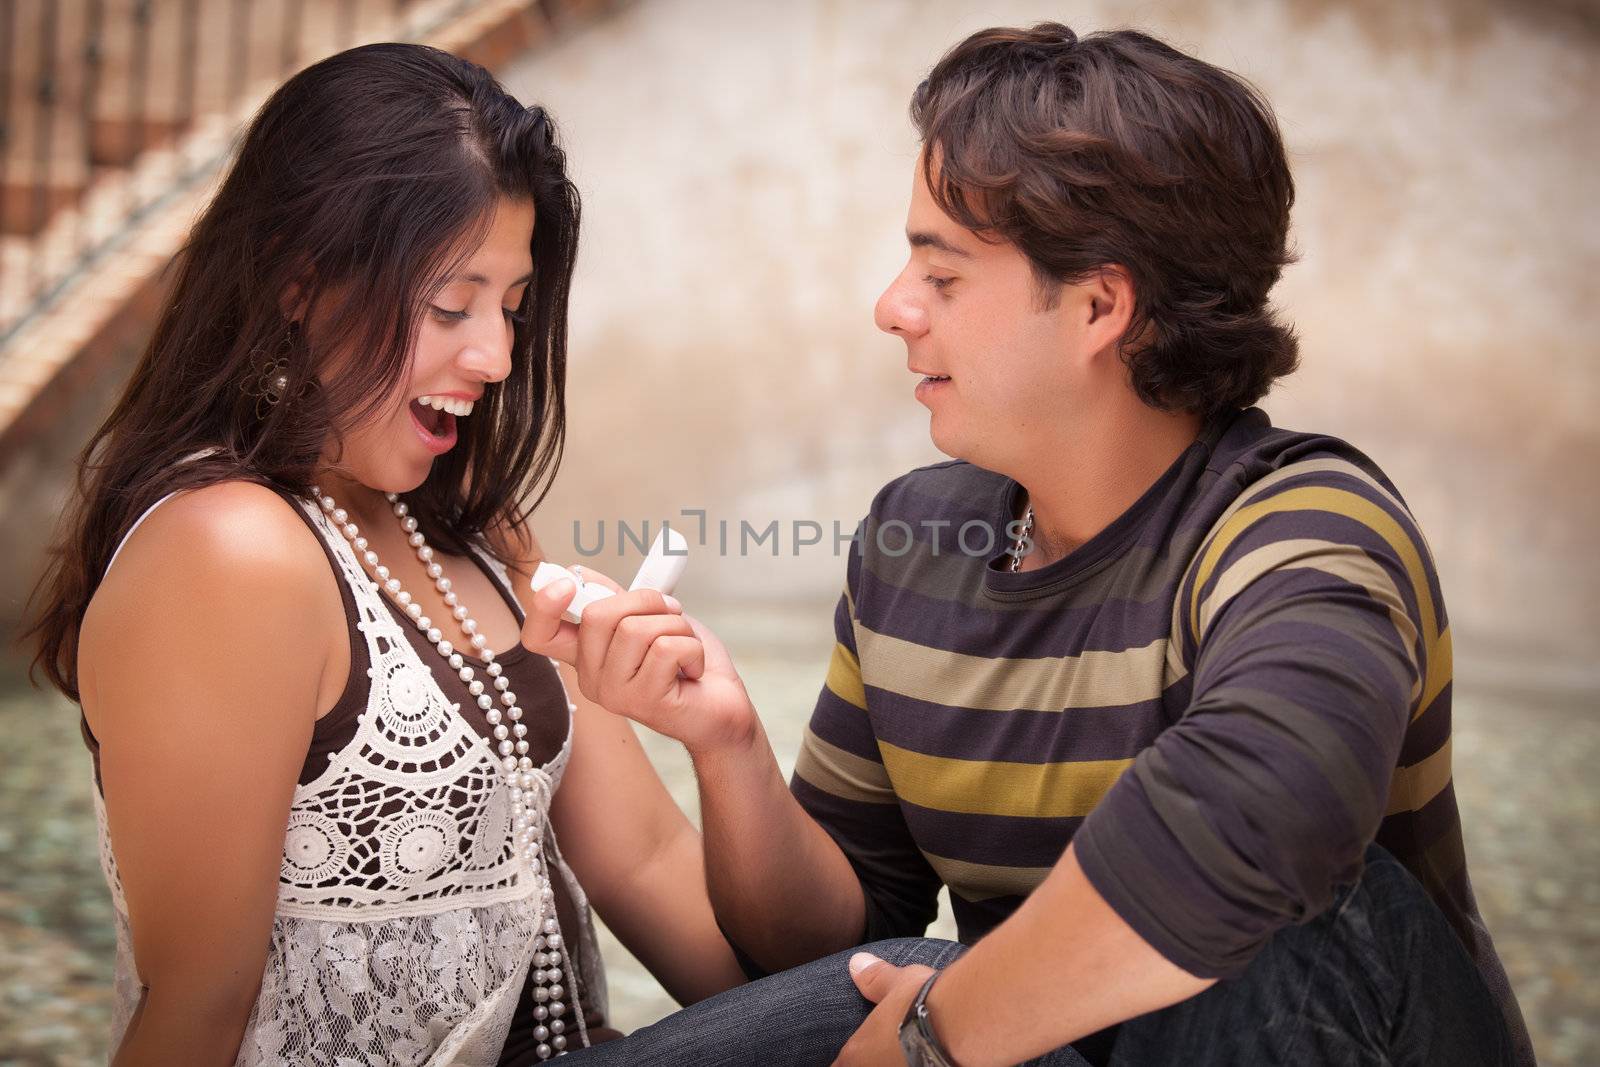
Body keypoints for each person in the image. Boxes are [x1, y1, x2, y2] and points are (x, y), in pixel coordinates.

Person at [522, 23, 1532, 1067]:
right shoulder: (913, 542)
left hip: (1342, 1023)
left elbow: (1259, 816)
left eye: (943, 276)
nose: (891, 308)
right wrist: (725, 748)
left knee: (1297, 905)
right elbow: (835, 953)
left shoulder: (1304, 523)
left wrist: (934, 1031)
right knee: (894, 970)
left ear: (1100, 304)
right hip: (1044, 1047)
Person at [19, 43, 744, 1065]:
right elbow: (198, 1003)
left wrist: (726, 743)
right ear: (296, 282)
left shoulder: (470, 529)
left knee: (911, 996)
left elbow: (652, 862)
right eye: (451, 306)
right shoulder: (231, 551)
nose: (493, 356)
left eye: (512, 307)